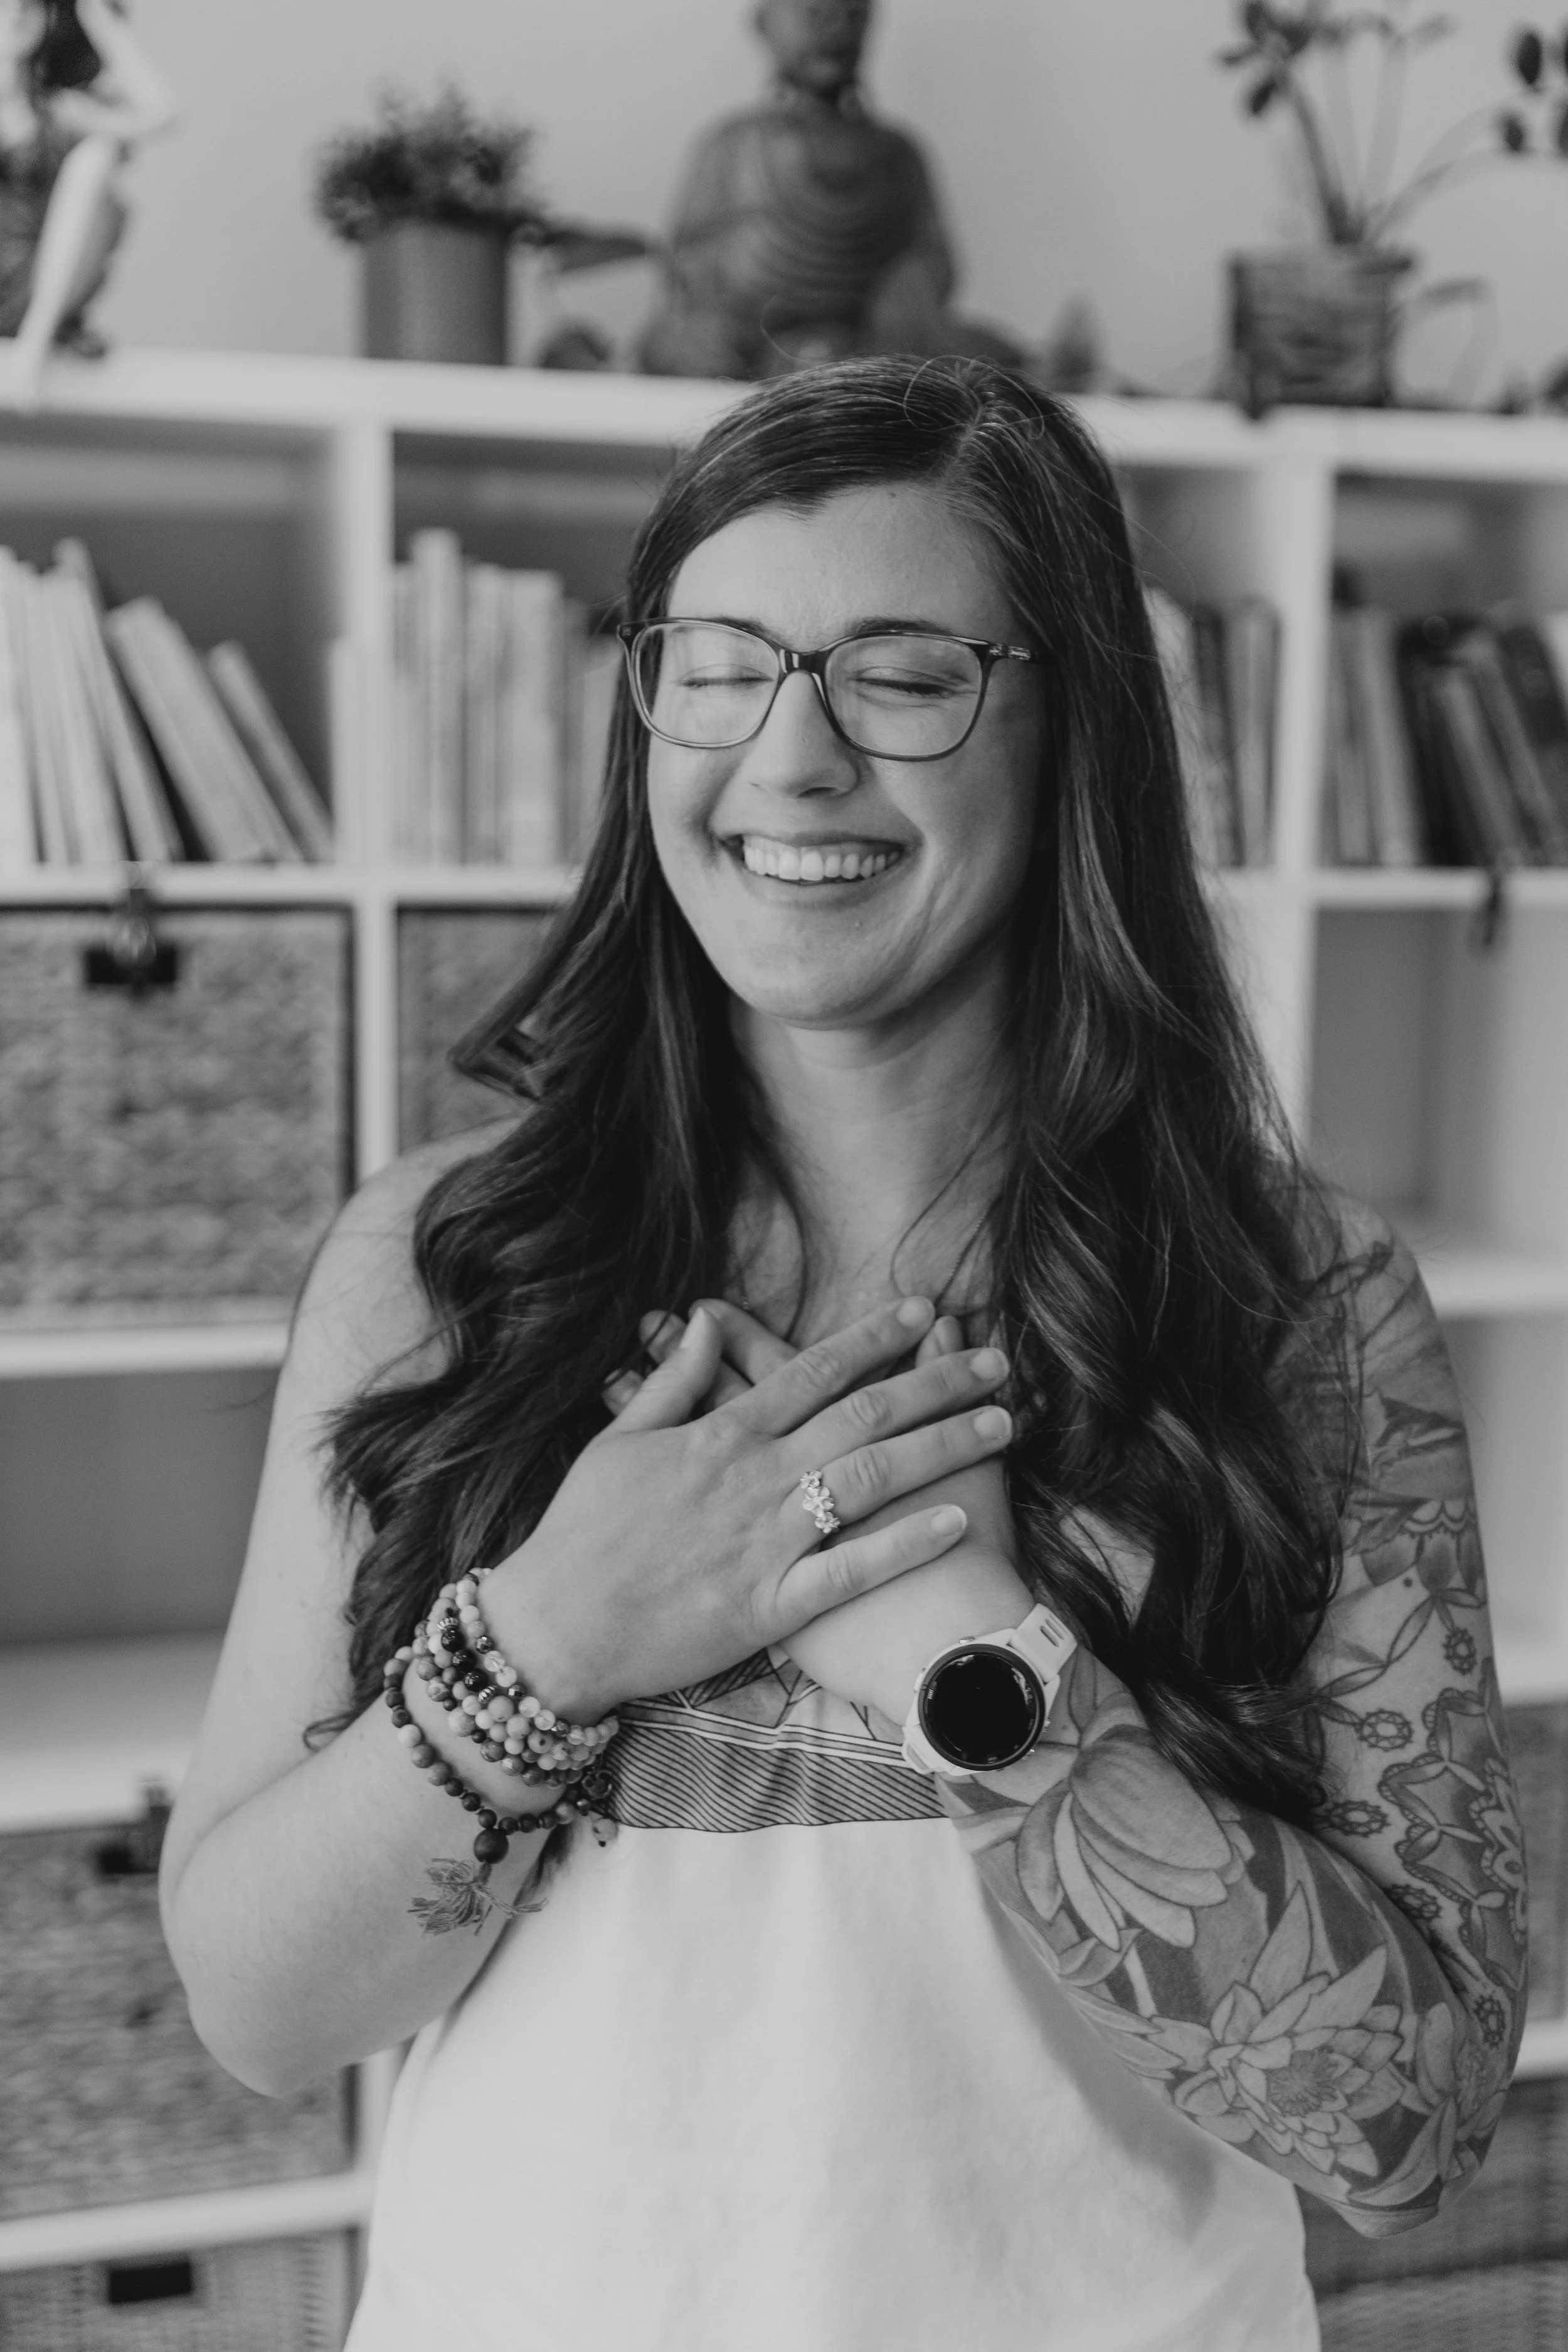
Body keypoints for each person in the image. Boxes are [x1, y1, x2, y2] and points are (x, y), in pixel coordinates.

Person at [161, 357, 1525, 2352]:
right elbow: (256, 2012)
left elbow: (1403, 2122)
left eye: (895, 674)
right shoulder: (438, 1270)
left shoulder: (1294, 1303)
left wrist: (974, 1661)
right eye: (717, 665)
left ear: (1073, 732)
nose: (786, 759)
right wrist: (550, 1636)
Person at [0, 0, 175, 409]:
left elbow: (164, 113)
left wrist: (99, 19)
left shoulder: (62, 111)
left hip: (39, 289)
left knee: (97, 155)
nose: (14, 14)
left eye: (27, 5)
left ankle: (33, 349)